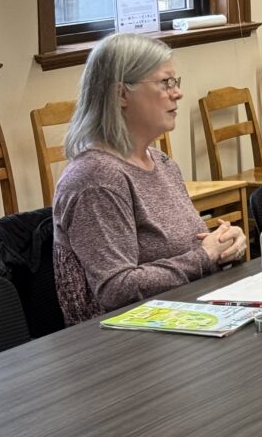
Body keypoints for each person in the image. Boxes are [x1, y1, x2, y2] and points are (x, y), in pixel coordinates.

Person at [53, 33, 247, 326]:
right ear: (121, 94)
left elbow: (192, 249)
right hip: (123, 345)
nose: (177, 93)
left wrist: (224, 245)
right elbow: (116, 290)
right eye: (164, 83)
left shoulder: (163, 163)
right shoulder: (96, 179)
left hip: (187, 316)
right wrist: (204, 257)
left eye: (175, 82)